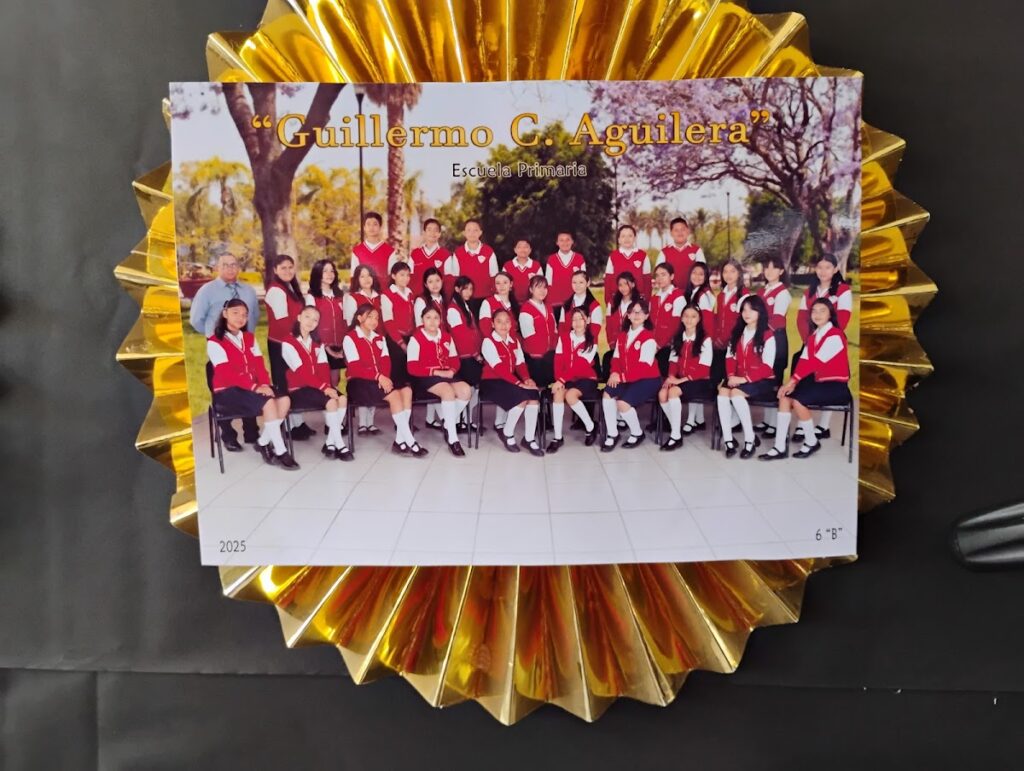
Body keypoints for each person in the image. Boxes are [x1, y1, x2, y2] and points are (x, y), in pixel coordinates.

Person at [207, 299, 297, 469]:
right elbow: (226, 373)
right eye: (235, 313)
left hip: (251, 389)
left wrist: (265, 385)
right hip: (227, 391)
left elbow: (260, 366)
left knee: (284, 400)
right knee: (269, 403)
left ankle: (263, 442)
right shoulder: (214, 341)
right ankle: (281, 451)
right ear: (225, 314)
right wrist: (255, 387)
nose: (240, 318)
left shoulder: (249, 338)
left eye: (244, 315)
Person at [760, 298, 851, 460]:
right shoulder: (813, 335)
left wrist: (792, 382)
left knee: (798, 401)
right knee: (784, 397)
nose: (817, 314)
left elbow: (815, 363)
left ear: (830, 314)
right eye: (814, 311)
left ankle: (811, 441)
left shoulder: (836, 335)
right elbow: (803, 361)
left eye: (822, 311)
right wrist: (791, 384)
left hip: (835, 385)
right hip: (817, 382)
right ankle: (779, 447)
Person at [188, 253, 260, 449]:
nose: (230, 268)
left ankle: (251, 432)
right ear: (217, 268)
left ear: (238, 267)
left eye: (234, 264)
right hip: (219, 347)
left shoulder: (248, 291)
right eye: (225, 265)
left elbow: (254, 316)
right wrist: (215, 335)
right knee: (222, 388)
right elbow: (196, 319)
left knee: (249, 383)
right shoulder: (207, 291)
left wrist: (244, 337)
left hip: (244, 346)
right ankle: (228, 435)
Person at [342, 304, 426, 457]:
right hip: (358, 382)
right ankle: (410, 441)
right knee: (395, 396)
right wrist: (378, 377)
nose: (374, 321)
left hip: (380, 380)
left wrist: (384, 378)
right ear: (359, 318)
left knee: (407, 390)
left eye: (376, 318)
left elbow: (386, 362)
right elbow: (355, 367)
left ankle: (399, 440)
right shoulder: (350, 338)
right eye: (369, 317)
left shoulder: (380, 338)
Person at [793, 253, 853, 442]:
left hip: (831, 343)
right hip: (810, 341)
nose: (823, 271)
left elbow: (842, 318)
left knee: (828, 378)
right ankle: (802, 424)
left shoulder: (842, 290)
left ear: (835, 269)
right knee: (803, 374)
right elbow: (801, 318)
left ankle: (824, 426)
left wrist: (824, 338)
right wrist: (809, 340)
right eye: (819, 267)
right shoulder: (809, 292)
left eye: (827, 267)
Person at [280, 306, 353, 461]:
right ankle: (340, 444)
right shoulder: (288, 342)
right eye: (307, 317)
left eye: (315, 320)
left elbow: (323, 367)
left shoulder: (317, 342)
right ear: (299, 317)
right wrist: (324, 388)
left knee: (342, 399)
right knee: (331, 402)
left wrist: (327, 386)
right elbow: (301, 372)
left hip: (317, 387)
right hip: (298, 389)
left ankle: (330, 443)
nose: (311, 322)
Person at [717, 295, 777, 459]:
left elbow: (767, 367)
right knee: (722, 393)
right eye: (744, 310)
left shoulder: (768, 335)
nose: (747, 313)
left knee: (735, 394)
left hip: (762, 380)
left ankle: (749, 440)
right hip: (737, 377)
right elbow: (730, 358)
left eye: (751, 310)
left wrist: (743, 380)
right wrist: (731, 376)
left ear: (760, 312)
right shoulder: (737, 333)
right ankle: (729, 441)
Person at [406, 306, 471, 456]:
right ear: (422, 320)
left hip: (446, 374)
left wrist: (452, 371)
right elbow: (411, 367)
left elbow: (455, 360)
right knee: (448, 392)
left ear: (440, 320)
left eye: (436, 318)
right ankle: (453, 439)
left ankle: (448, 423)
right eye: (428, 318)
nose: (432, 321)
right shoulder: (416, 338)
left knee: (466, 390)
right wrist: (435, 372)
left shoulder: (447, 337)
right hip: (425, 376)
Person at [263, 254, 314, 440]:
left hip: (291, 341)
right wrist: (300, 337)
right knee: (284, 383)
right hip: (281, 343)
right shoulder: (276, 290)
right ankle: (289, 426)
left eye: (290, 267)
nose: (287, 271)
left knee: (295, 381)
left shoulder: (290, 287)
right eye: (283, 268)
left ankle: (297, 423)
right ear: (275, 270)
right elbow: (283, 322)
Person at [480, 309, 543, 456]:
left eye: (507, 321)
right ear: (492, 324)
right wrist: (519, 383)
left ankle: (529, 439)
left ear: (511, 324)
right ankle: (508, 433)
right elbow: (499, 369)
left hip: (509, 381)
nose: (503, 325)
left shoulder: (514, 341)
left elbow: (520, 364)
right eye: (499, 321)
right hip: (491, 382)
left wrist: (527, 379)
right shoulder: (488, 341)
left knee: (533, 395)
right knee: (521, 398)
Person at [601, 298, 662, 452]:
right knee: (607, 393)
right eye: (633, 312)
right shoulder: (622, 336)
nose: (636, 315)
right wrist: (614, 372)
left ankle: (637, 433)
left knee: (622, 404)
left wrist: (621, 377)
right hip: (626, 377)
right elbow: (615, 358)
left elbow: (644, 367)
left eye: (640, 312)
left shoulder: (648, 338)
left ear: (646, 316)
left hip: (648, 379)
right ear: (627, 315)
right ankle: (612, 433)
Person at [657, 304, 714, 450]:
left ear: (699, 319)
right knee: (662, 393)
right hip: (681, 380)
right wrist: (671, 377)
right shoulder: (678, 337)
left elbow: (704, 369)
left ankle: (675, 436)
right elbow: (673, 361)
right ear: (681, 318)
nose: (689, 320)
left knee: (673, 392)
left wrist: (678, 381)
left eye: (693, 316)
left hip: (700, 381)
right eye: (686, 316)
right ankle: (676, 430)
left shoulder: (705, 339)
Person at [547, 306, 600, 452]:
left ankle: (591, 427)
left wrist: (561, 380)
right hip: (566, 379)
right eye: (574, 319)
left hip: (586, 378)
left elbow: (580, 365)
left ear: (587, 320)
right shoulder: (564, 337)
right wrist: (559, 380)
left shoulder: (592, 340)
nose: (577, 322)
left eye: (581, 319)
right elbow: (558, 361)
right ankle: (558, 437)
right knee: (558, 393)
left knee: (570, 395)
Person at [753, 254, 792, 437]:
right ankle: (767, 420)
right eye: (766, 267)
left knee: (775, 380)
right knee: (766, 379)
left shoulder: (782, 293)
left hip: (775, 339)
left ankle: (775, 424)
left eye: (773, 267)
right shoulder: (762, 291)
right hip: (763, 339)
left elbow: (776, 320)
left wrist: (759, 331)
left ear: (781, 271)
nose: (769, 271)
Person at [343, 264, 383, 434]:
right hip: (359, 343)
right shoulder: (352, 298)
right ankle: (362, 423)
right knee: (363, 379)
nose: (367, 279)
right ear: (357, 280)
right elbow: (350, 323)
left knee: (376, 377)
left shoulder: (380, 297)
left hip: (377, 342)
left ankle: (370, 422)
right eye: (362, 276)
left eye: (369, 275)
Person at [446, 276, 484, 433]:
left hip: (472, 353)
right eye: (465, 289)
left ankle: (465, 419)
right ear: (457, 289)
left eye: (471, 289)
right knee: (470, 388)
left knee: (475, 389)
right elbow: (460, 335)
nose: (469, 292)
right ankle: (454, 420)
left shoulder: (464, 306)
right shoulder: (453, 309)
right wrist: (475, 354)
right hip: (465, 356)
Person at [412, 266, 448, 431]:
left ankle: (430, 418)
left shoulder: (443, 299)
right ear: (425, 284)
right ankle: (446, 420)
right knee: (435, 380)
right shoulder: (421, 300)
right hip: (428, 344)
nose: (435, 284)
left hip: (442, 343)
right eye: (430, 281)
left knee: (440, 380)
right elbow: (420, 326)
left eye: (437, 280)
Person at [307, 259, 348, 389]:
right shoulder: (312, 297)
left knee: (335, 380)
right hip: (321, 345)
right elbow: (310, 326)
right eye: (325, 271)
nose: (329, 274)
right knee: (324, 381)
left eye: (332, 271)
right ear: (318, 273)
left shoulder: (340, 295)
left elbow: (346, 321)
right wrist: (325, 347)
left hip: (339, 345)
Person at [710, 258, 749, 389]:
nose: (728, 275)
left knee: (729, 383)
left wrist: (724, 339)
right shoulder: (720, 295)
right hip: (719, 344)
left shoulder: (743, 295)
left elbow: (739, 322)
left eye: (732, 271)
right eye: (725, 271)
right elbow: (716, 319)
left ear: (739, 273)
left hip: (733, 344)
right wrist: (716, 338)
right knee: (713, 379)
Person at [380, 261, 416, 390]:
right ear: (393, 276)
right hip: (395, 338)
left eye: (408, 275)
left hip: (410, 336)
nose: (405, 278)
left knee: (412, 370)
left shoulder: (410, 293)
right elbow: (388, 322)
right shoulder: (387, 295)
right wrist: (401, 343)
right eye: (402, 275)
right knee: (399, 372)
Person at [518, 275, 558, 388]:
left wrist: (553, 350)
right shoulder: (526, 309)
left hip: (549, 356)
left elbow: (554, 330)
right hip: (536, 358)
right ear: (531, 289)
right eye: (538, 287)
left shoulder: (548, 307)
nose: (542, 291)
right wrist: (543, 354)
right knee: (538, 388)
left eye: (545, 287)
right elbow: (529, 336)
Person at [444, 218, 497, 301]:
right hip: (465, 298)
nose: (472, 233)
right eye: (469, 230)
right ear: (464, 233)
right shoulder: (458, 253)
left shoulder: (488, 251)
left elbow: (494, 276)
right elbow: (455, 278)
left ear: (480, 232)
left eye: (475, 230)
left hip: (486, 298)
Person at [649, 263, 686, 377]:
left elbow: (675, 326)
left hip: (669, 347)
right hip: (653, 345)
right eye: (657, 275)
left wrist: (659, 345)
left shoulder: (678, 296)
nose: (659, 278)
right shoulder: (654, 298)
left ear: (672, 276)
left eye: (663, 274)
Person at [602, 271, 640, 381]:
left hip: (632, 347)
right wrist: (612, 343)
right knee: (608, 358)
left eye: (626, 284)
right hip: (616, 345)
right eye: (620, 285)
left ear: (633, 284)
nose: (623, 288)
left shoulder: (639, 303)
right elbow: (609, 326)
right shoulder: (612, 303)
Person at [656, 217, 706, 289]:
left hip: (692, 292)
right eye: (676, 230)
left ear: (688, 231)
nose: (680, 233)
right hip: (671, 293)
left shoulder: (697, 251)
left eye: (683, 229)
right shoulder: (664, 252)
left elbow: (703, 273)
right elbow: (659, 275)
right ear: (671, 233)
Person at [604, 224, 651, 299]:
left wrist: (647, 299)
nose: (627, 239)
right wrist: (608, 300)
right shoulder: (613, 256)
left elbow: (647, 279)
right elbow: (608, 280)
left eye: (630, 236)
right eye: (623, 236)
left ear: (635, 238)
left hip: (638, 297)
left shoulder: (642, 255)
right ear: (618, 240)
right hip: (618, 297)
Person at [557, 270, 603, 341]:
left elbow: (595, 331)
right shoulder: (566, 305)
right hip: (568, 344)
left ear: (588, 283)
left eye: (581, 282)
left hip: (588, 345)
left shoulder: (595, 306)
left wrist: (578, 342)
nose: (577, 286)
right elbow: (561, 328)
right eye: (574, 282)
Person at [544, 231, 587, 305]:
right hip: (556, 302)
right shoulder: (551, 259)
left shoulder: (579, 259)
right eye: (561, 240)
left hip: (574, 301)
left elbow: (584, 282)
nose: (565, 243)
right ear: (557, 242)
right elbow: (548, 283)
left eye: (568, 240)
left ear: (572, 241)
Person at [351, 211, 397, 279]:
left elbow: (393, 277)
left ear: (380, 227)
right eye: (368, 224)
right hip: (363, 286)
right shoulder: (357, 251)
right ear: (364, 227)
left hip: (383, 286)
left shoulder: (390, 251)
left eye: (375, 224)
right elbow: (354, 276)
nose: (371, 227)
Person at [478, 271, 519, 340]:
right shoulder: (487, 302)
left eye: (505, 282)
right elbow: (485, 329)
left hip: (512, 343)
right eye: (498, 283)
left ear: (511, 284)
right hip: (495, 343)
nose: (501, 286)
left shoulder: (514, 304)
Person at [408, 218, 449, 285]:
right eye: (429, 230)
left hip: (437, 292)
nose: (432, 233)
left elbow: (448, 279)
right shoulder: (415, 254)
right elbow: (409, 276)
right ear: (424, 233)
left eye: (435, 230)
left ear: (439, 234)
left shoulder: (445, 255)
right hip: (417, 292)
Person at [505, 237, 544, 303]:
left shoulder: (536, 266)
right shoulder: (507, 266)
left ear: (530, 250)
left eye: (526, 247)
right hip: (512, 303)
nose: (522, 250)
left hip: (532, 302)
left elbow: (541, 286)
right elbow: (504, 286)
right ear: (515, 250)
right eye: (519, 247)